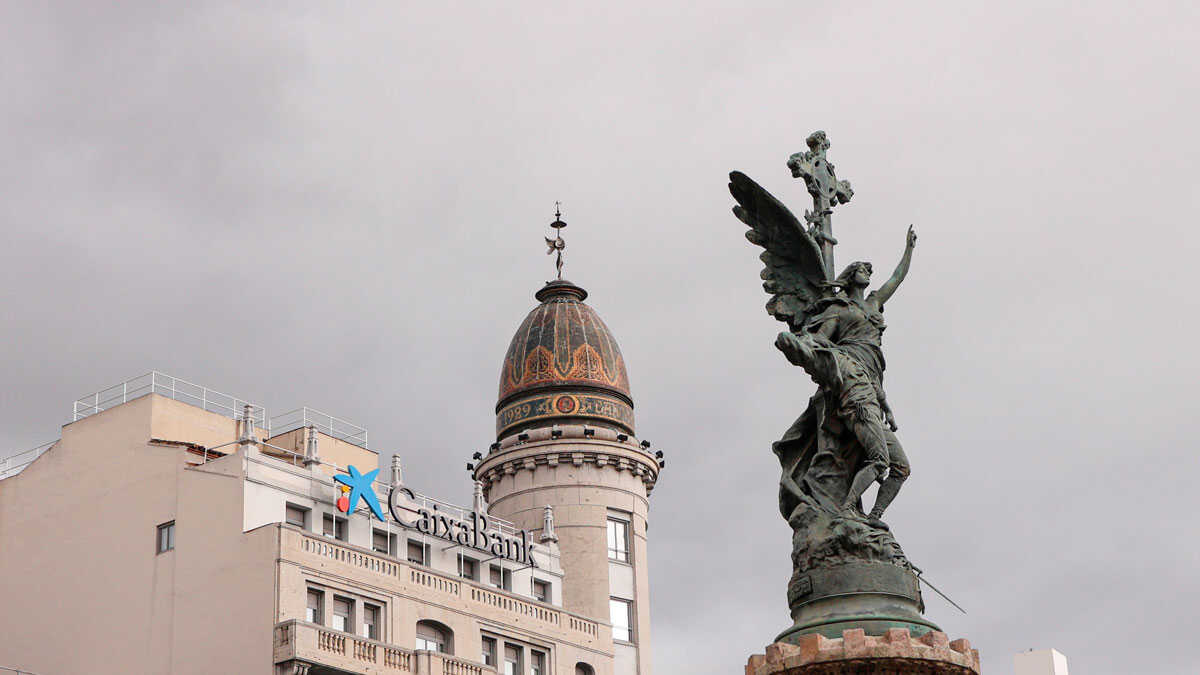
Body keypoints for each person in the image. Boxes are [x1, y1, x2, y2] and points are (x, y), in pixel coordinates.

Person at [775, 226, 916, 528]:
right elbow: (821, 340)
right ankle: (849, 510)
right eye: (862, 268)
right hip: (852, 387)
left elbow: (896, 278)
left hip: (872, 391)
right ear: (851, 275)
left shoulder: (874, 303)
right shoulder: (838, 309)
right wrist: (805, 345)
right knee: (878, 461)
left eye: (869, 269)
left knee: (900, 467)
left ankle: (873, 517)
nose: (867, 271)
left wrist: (908, 251)